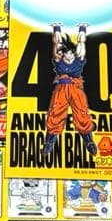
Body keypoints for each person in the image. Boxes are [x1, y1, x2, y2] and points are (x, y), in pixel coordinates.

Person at [42, 22, 97, 158]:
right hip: (61, 89)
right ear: (64, 54)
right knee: (56, 113)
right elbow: (57, 43)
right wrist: (56, 29)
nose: (70, 56)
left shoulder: (78, 61)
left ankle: (89, 141)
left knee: (82, 113)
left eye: (72, 54)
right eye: (68, 54)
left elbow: (81, 44)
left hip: (75, 89)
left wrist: (82, 29)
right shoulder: (59, 60)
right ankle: (49, 142)